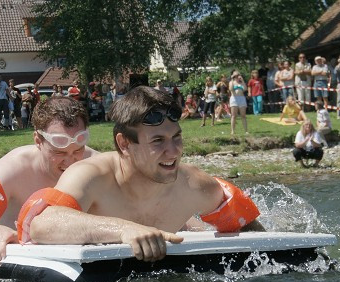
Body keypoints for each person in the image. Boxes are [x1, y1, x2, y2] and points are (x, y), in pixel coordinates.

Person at [15, 86, 264, 262]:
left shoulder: (196, 185)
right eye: (157, 141)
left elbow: (258, 236)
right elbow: (39, 224)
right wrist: (125, 230)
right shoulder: (90, 176)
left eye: (176, 137)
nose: (173, 151)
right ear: (124, 144)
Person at [0, 97, 98, 267]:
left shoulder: (97, 165)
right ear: (38, 141)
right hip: (18, 264)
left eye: (78, 150)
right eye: (59, 153)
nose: (71, 161)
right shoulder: (11, 170)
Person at [228, 71, 248, 136]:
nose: (237, 76)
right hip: (234, 98)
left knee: (243, 115)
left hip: (241, 98)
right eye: (235, 75)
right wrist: (232, 79)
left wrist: (242, 80)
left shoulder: (241, 82)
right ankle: (232, 131)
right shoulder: (231, 82)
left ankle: (246, 131)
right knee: (233, 116)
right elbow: (231, 89)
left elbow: (245, 89)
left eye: (238, 75)